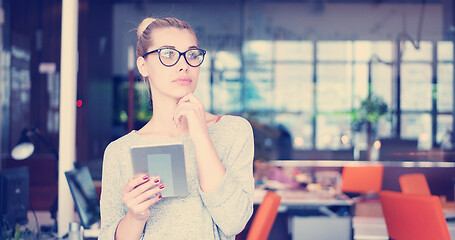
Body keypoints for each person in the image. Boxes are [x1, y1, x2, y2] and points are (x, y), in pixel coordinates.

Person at [98, 17, 255, 240]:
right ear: (143, 66)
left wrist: (200, 135)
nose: (184, 65)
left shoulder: (233, 131)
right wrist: (136, 216)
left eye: (192, 55)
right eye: (168, 54)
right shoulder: (119, 151)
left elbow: (234, 223)